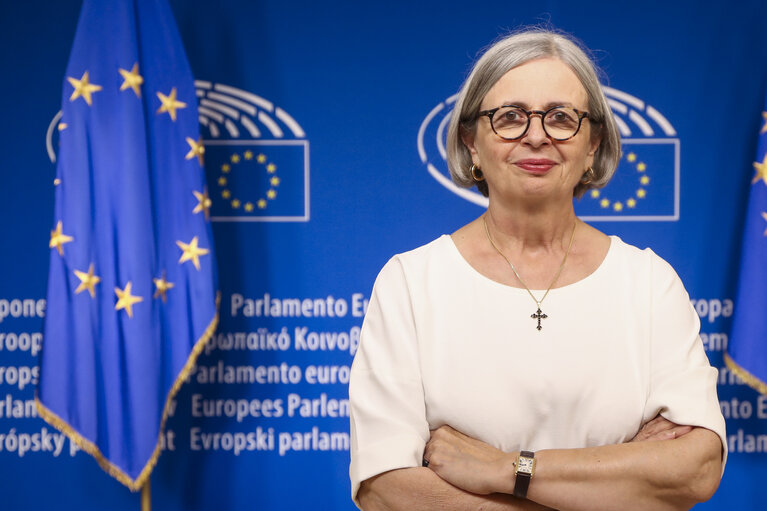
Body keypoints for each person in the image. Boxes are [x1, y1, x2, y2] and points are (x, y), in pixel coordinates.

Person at [348, 28, 726, 511]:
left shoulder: (649, 283)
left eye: (561, 118)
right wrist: (612, 482)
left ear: (592, 144)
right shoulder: (410, 283)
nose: (536, 135)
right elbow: (386, 490)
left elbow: (693, 471)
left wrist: (504, 468)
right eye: (509, 117)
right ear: (471, 144)